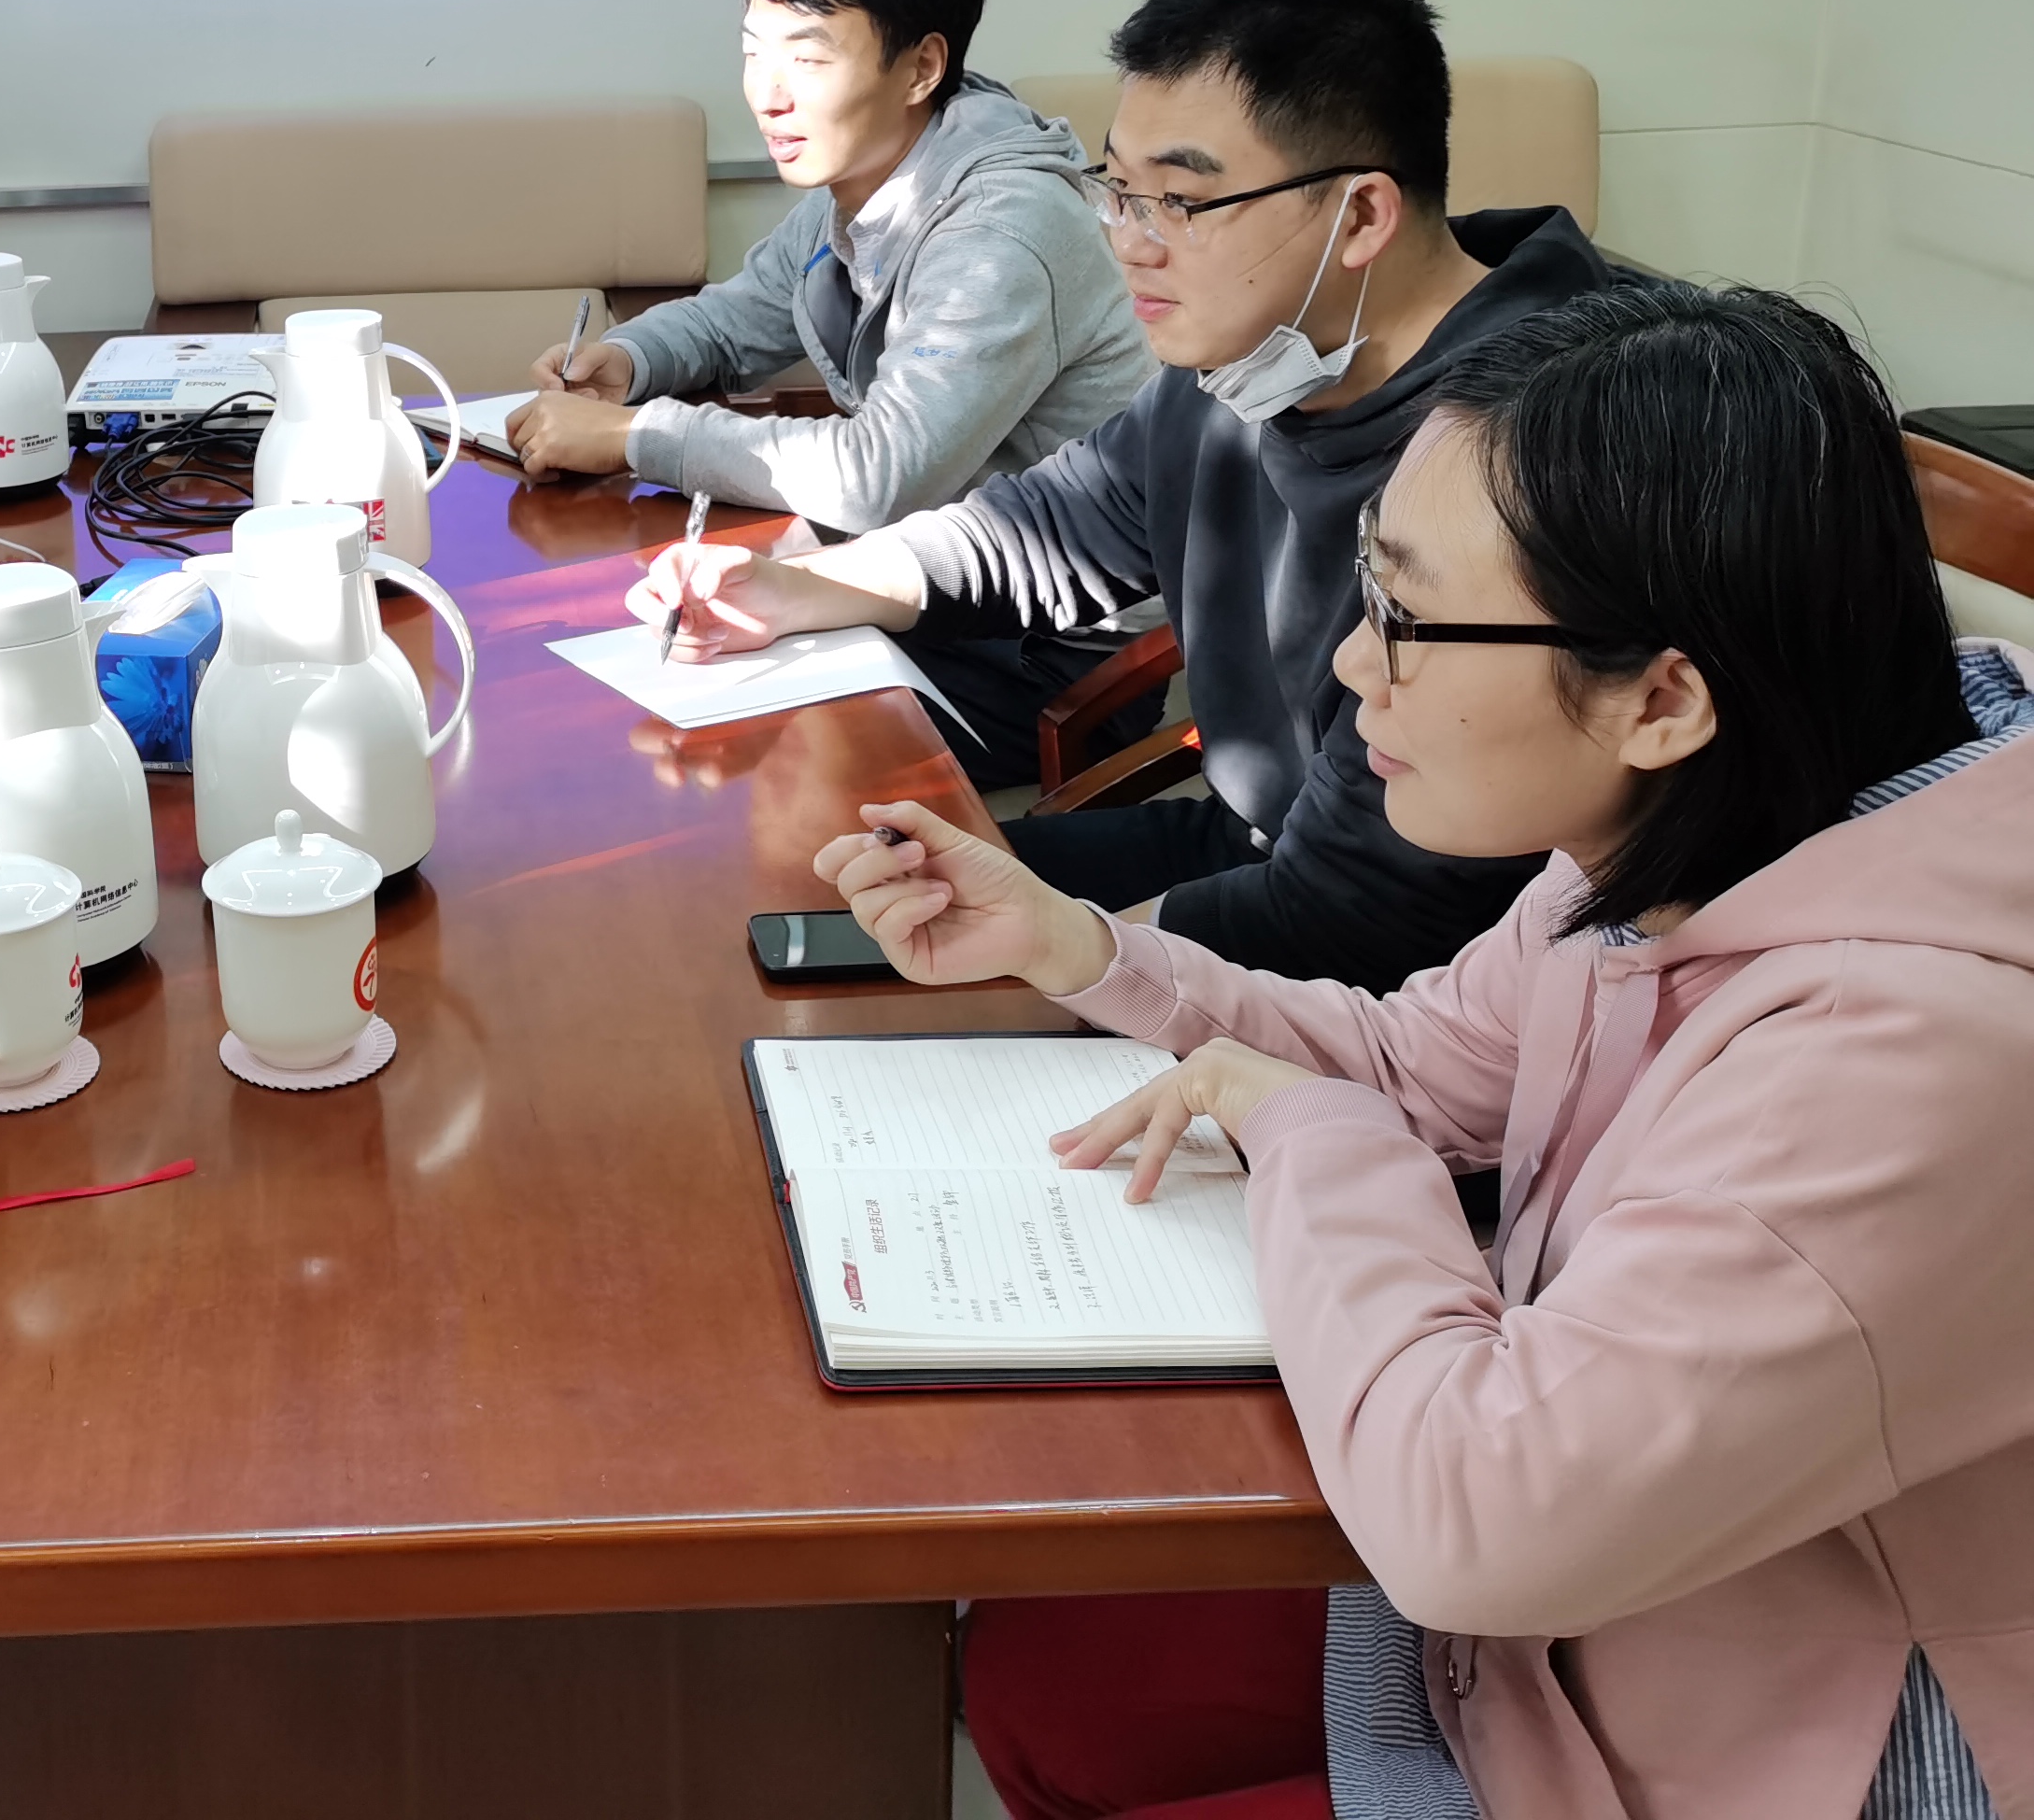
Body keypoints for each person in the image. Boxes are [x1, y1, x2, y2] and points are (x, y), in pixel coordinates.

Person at [814, 280, 2033, 1819]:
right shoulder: (1693, 835)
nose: (1351, 665)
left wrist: (1311, 1134)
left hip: (1757, 1734)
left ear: (1659, 697)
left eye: (1405, 615)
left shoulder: (1906, 1058)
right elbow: (1415, 1062)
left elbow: (1483, 1524)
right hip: (1597, 1601)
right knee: (1052, 1683)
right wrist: (1076, 948)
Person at [629, 0, 1620, 985]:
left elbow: (1378, 909)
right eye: (1120, 189)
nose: (1130, 242)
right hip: (1257, 850)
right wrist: (796, 588)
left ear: (1361, 214)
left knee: (891, 957)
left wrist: (1065, 953)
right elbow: (1049, 528)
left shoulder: (1538, 445)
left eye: (1180, 201)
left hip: (1443, 977)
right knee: (813, 890)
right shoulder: (1251, 358)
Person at [509, 0, 1151, 779]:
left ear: (921, 67)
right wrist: (627, 361)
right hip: (917, 581)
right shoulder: (871, 176)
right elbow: (739, 316)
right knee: (632, 657)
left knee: (699, 736)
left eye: (808, 60)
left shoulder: (1002, 230)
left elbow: (881, 476)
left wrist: (633, 435)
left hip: (1050, 653)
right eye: (753, 53)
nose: (768, 95)